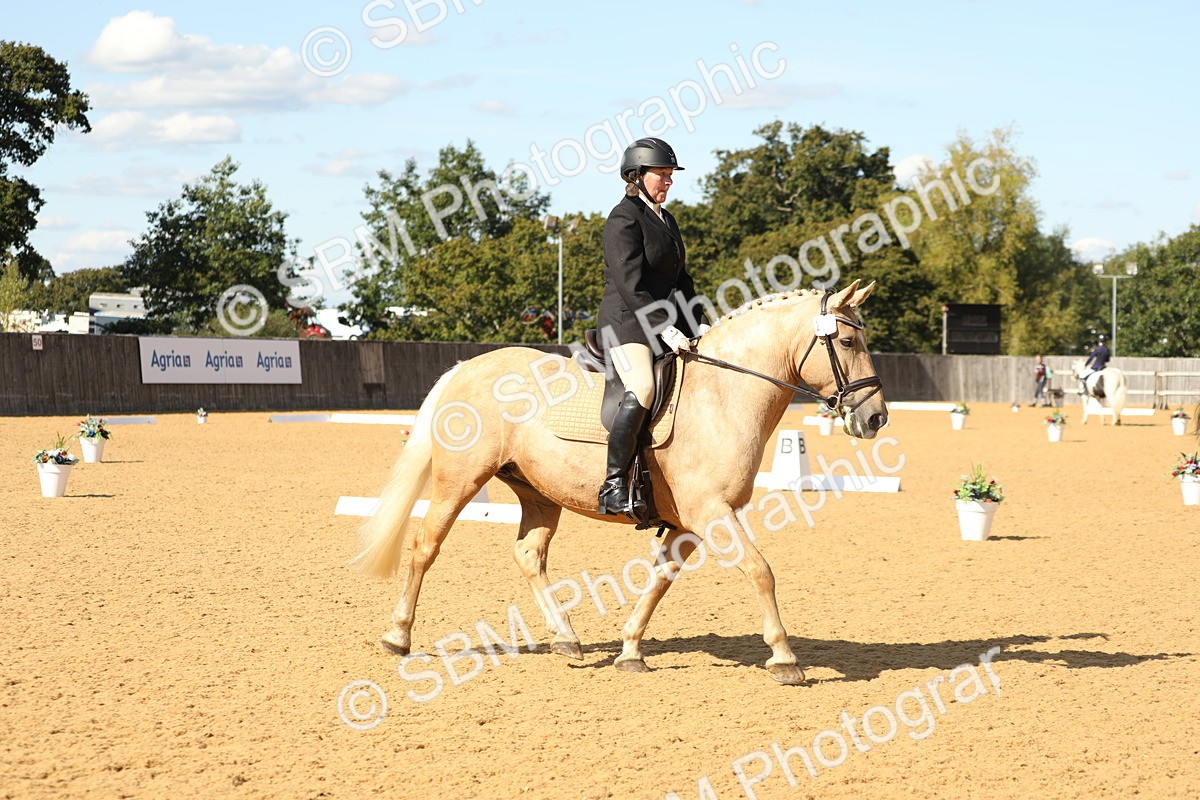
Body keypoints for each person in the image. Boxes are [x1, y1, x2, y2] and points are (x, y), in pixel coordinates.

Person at [595, 137, 710, 516]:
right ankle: (613, 484)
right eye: (661, 174)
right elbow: (630, 284)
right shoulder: (623, 219)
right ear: (636, 176)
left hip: (665, 323)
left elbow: (682, 280)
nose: (669, 181)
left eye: (670, 174)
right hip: (627, 324)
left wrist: (698, 323)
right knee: (643, 385)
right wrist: (663, 326)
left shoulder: (666, 219)